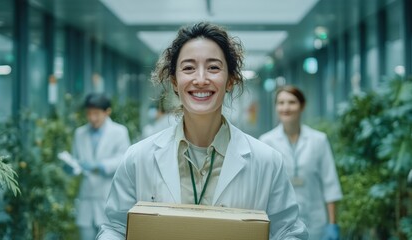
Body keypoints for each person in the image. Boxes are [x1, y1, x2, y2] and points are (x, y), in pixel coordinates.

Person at [96, 22, 308, 240]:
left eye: (213, 68)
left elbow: (288, 232)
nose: (200, 79)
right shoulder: (138, 158)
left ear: (230, 80)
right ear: (174, 82)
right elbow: (115, 228)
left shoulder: (267, 161)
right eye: (188, 68)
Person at [259, 85, 343, 240]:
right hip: (279, 225)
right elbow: (261, 188)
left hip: (316, 222)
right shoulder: (265, 142)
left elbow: (330, 184)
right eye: (281, 102)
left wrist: (332, 224)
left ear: (302, 106)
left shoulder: (319, 140)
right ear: (276, 107)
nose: (286, 108)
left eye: (292, 102)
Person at [71, 93, 131, 240]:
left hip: (108, 198)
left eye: (96, 114)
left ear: (107, 112)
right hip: (86, 199)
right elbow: (76, 160)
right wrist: (71, 167)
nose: (92, 118)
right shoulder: (80, 133)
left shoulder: (119, 132)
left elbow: (124, 160)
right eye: (89, 114)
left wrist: (100, 166)